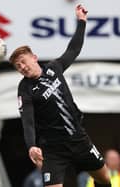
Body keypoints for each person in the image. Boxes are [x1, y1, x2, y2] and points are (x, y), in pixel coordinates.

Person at [9, 4, 111, 187]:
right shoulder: (24, 89)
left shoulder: (54, 68)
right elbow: (27, 120)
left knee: (104, 179)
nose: (22, 67)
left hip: (78, 139)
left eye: (23, 62)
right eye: (18, 66)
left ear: (34, 57)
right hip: (53, 149)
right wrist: (32, 145)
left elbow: (73, 49)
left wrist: (81, 21)